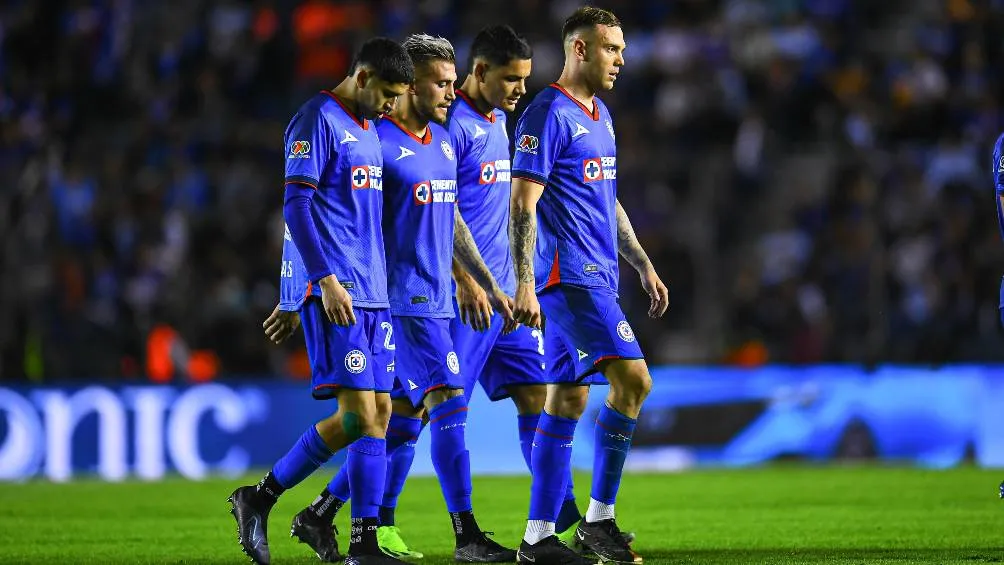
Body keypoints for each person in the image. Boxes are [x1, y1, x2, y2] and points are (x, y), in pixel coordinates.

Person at [287, 33, 517, 563]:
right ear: (407, 84)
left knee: (394, 421)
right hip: (395, 303)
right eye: (440, 81)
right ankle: (466, 538)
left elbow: (443, 222)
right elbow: (316, 212)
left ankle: (320, 512)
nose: (451, 90)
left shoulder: (440, 141)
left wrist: (469, 276)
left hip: (433, 299)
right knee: (447, 405)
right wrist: (299, 287)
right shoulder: (375, 141)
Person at [228, 37, 413, 565]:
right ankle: (360, 542)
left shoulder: (371, 132)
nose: (391, 104)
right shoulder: (315, 120)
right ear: (361, 76)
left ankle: (262, 500)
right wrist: (314, 284)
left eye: (399, 96)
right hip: (338, 293)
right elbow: (295, 208)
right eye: (386, 93)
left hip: (374, 296)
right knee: (359, 416)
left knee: (379, 417)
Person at [509, 7, 670, 564]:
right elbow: (523, 202)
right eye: (612, 49)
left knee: (568, 399)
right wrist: (525, 284)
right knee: (635, 381)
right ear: (579, 49)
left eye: (622, 49)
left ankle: (536, 537)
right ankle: (598, 522)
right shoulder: (546, 113)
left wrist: (642, 261)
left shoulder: (600, 115)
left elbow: (608, 200)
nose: (622, 59)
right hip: (569, 278)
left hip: (599, 274)